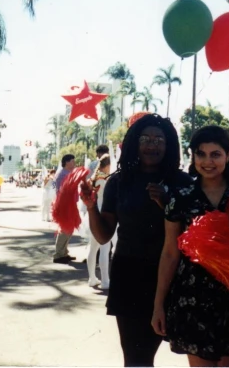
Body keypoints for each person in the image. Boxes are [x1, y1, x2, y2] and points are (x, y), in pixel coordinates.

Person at [84, 114, 191, 367]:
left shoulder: (182, 182)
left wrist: (169, 204)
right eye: (145, 138)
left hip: (171, 274)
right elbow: (104, 235)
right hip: (129, 273)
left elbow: (193, 231)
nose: (152, 145)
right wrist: (91, 208)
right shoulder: (118, 182)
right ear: (134, 142)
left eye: (159, 140)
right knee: (135, 357)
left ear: (169, 145)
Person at [153, 125, 229, 367]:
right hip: (192, 298)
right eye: (201, 154)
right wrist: (158, 305)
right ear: (192, 156)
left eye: (215, 154)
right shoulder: (181, 196)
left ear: (228, 155)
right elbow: (170, 253)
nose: (208, 161)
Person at [83, 154, 113, 289]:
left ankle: (92, 278)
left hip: (93, 213)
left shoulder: (93, 179)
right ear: (107, 165)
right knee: (104, 249)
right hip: (104, 213)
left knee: (93, 248)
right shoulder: (106, 179)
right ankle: (105, 280)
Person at [53, 154, 77, 263]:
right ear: (66, 162)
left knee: (69, 229)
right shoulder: (63, 174)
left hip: (69, 204)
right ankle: (58, 254)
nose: (74, 163)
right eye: (72, 161)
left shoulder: (67, 173)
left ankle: (63, 252)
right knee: (65, 229)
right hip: (65, 205)